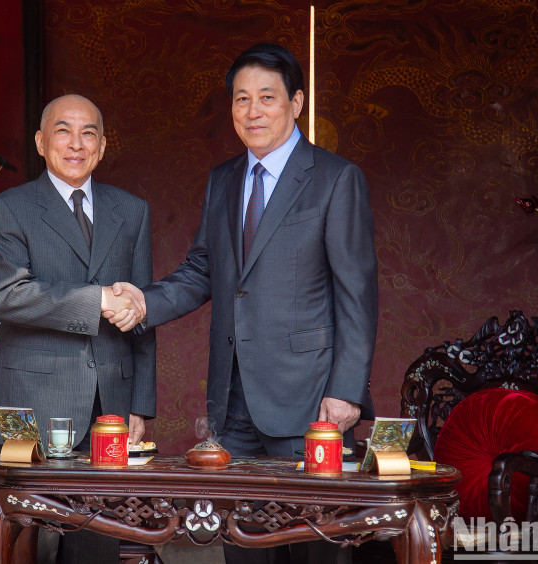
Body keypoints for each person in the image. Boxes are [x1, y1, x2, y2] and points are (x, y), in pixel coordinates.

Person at [109, 42, 378, 563]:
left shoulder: (334, 178)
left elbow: (357, 294)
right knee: (243, 550)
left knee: (314, 550)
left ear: (297, 102)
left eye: (267, 98)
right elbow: (203, 270)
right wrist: (143, 304)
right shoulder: (224, 179)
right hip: (232, 405)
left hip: (310, 403)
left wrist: (346, 392)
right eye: (240, 99)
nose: (252, 111)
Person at [0, 94, 156, 564]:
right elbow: (8, 296)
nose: (76, 144)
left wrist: (140, 404)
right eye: (63, 131)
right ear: (41, 142)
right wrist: (98, 299)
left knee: (95, 543)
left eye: (88, 133)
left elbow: (141, 313)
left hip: (111, 407)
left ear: (102, 146)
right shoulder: (9, 209)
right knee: (25, 545)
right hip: (33, 405)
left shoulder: (131, 210)